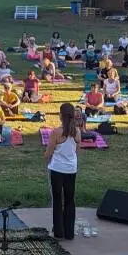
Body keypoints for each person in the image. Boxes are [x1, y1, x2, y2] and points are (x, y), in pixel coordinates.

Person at [45, 102, 79, 239]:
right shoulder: (77, 132)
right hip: (71, 169)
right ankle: (69, 232)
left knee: (58, 200)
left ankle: (59, 231)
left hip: (57, 169)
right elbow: (77, 151)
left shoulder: (56, 132)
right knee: (70, 200)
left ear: (60, 115)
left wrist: (48, 158)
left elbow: (48, 153)